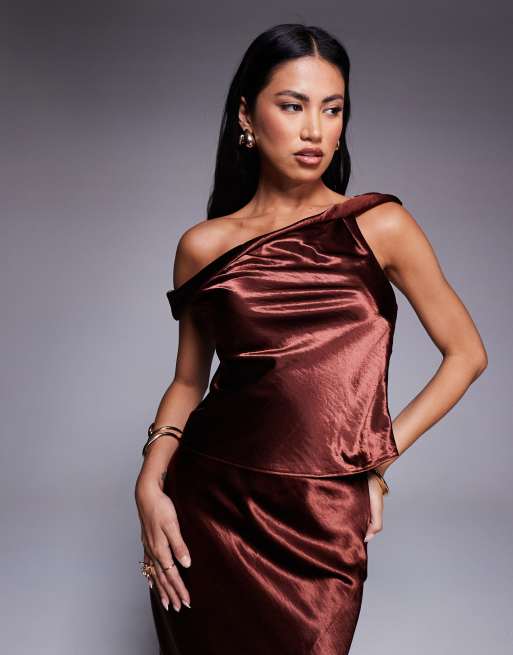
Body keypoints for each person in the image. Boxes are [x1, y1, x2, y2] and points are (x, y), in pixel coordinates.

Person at [134, 23, 488, 655]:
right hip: (209, 508)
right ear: (247, 115)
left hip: (324, 515)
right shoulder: (203, 245)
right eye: (293, 106)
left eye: (332, 109)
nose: (315, 131)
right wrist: (149, 484)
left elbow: (467, 355)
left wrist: (376, 464)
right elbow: (188, 382)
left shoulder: (379, 225)